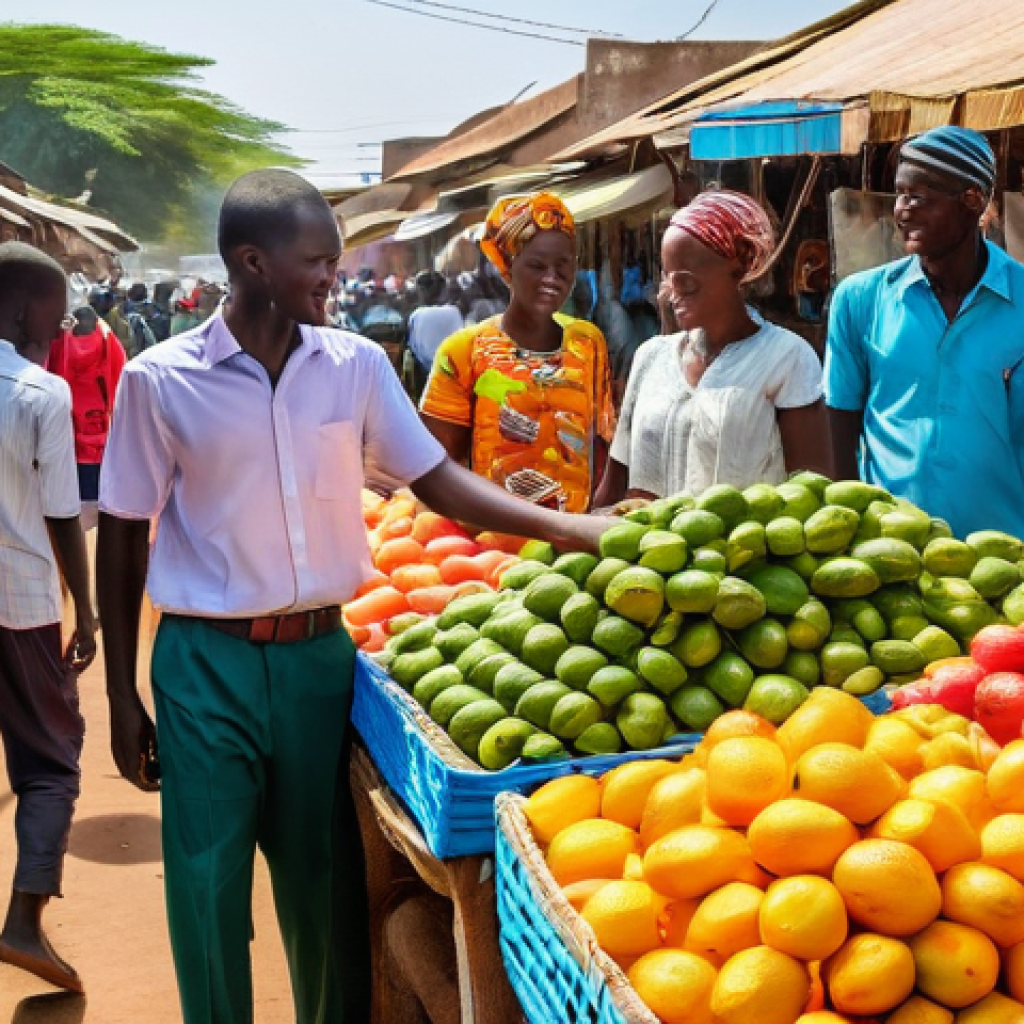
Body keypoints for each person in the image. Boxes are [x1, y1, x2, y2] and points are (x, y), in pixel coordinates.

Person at [96, 168, 606, 1024]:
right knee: (205, 881)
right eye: (317, 262)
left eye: (335, 260)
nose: (334, 277)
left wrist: (573, 530)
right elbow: (119, 535)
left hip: (322, 659)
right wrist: (120, 692)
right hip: (204, 660)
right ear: (252, 263)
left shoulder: (357, 367)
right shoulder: (160, 380)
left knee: (320, 879)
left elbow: (436, 480)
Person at [826, 126, 1024, 538]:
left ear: (971, 201)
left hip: (1005, 559)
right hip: (890, 558)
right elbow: (840, 427)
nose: (902, 210)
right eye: (900, 194)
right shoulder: (860, 300)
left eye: (918, 196)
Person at [594, 191, 828, 506]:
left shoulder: (787, 358)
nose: (673, 293)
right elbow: (614, 485)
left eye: (687, 283)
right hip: (648, 552)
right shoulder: (651, 358)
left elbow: (812, 494)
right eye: (668, 278)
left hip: (743, 553)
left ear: (742, 262)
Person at [0, 242, 97, 994]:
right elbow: (65, 513)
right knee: (49, 763)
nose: (62, 324)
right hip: (21, 605)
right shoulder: (40, 392)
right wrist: (88, 613)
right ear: (26, 308)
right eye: (57, 310)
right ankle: (25, 922)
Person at [420, 193, 615, 513]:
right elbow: (434, 464)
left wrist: (598, 517)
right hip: (492, 544)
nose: (552, 278)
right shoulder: (464, 351)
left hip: (576, 546)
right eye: (537, 266)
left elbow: (600, 445)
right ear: (507, 268)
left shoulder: (588, 343)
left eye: (563, 264)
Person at [46, 306, 126, 531]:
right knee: (96, 498)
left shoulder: (60, 345)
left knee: (66, 499)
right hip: (99, 430)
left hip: (65, 432)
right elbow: (122, 378)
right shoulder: (108, 344)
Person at [406, 270, 463, 393]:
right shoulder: (454, 312)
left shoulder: (417, 315)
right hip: (454, 375)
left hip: (426, 377)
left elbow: (413, 347)